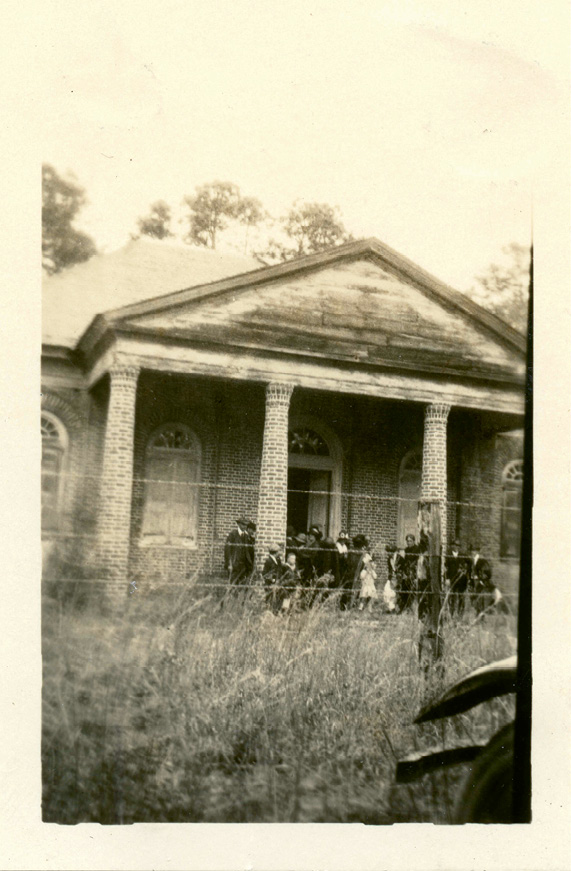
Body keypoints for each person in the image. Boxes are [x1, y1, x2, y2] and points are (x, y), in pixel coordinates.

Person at [469, 544, 505, 615]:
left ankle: (482, 616)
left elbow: (488, 573)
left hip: (481, 583)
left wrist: (480, 578)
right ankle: (479, 614)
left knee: (481, 600)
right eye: (472, 550)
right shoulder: (471, 560)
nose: (472, 552)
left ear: (477, 551)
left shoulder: (482, 561)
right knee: (474, 600)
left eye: (474, 550)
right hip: (474, 583)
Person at [224, 517, 252, 586]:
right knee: (233, 584)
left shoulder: (246, 535)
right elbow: (227, 550)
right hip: (234, 564)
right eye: (243, 524)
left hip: (243, 566)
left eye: (246, 525)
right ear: (238, 524)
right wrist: (229, 564)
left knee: (242, 585)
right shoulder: (232, 534)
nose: (244, 526)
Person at [445, 539, 469, 616]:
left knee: (461, 597)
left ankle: (460, 615)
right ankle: (451, 613)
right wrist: (447, 578)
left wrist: (466, 572)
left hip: (462, 580)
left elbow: (470, 564)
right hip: (452, 579)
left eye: (458, 546)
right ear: (452, 546)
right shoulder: (448, 555)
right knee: (452, 597)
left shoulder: (463, 555)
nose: (457, 547)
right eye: (455, 545)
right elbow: (446, 568)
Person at [357, 537, 378, 613]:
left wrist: (372, 568)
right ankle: (361, 607)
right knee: (364, 595)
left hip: (371, 584)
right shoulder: (364, 553)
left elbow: (375, 576)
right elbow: (362, 575)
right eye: (367, 541)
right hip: (366, 583)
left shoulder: (370, 552)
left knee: (371, 595)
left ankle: (369, 608)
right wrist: (366, 568)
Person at [262, 544, 284, 613]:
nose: (280, 553)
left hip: (278, 584)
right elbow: (265, 574)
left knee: (278, 600)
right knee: (270, 601)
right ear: (275, 552)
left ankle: (276, 613)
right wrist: (273, 580)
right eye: (279, 551)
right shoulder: (268, 561)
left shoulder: (278, 560)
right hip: (270, 585)